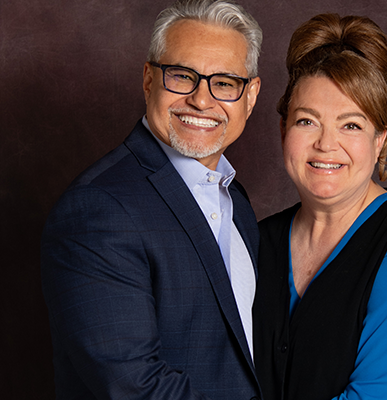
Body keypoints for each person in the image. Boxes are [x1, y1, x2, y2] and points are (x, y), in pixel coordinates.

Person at [41, 1, 262, 399]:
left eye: (225, 83)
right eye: (182, 76)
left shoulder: (235, 200)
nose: (201, 100)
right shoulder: (97, 210)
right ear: (148, 79)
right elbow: (136, 387)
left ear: (250, 96)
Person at [252, 13, 387, 400]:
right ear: (283, 129)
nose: (325, 144)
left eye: (351, 125)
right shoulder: (253, 243)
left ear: (380, 140)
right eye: (307, 121)